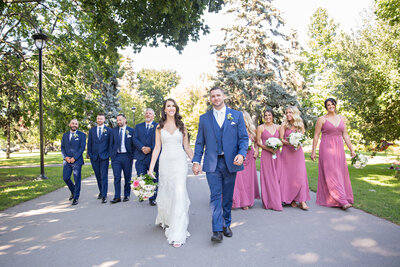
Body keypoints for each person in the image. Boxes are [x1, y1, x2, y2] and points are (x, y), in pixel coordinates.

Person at [192, 87, 248, 243]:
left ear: (224, 96)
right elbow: (199, 142)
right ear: (210, 99)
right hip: (212, 164)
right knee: (215, 196)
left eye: (218, 95)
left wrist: (241, 154)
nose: (216, 98)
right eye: (213, 96)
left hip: (230, 162)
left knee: (227, 197)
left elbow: (243, 138)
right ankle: (216, 230)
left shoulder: (236, 115)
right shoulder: (204, 118)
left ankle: (226, 224)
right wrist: (196, 161)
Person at [148, 98, 193, 248]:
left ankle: (178, 232)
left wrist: (196, 162)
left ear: (176, 108)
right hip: (165, 163)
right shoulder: (159, 127)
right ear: (164, 109)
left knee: (179, 193)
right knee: (167, 192)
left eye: (173, 105)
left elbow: (186, 146)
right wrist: (151, 167)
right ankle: (167, 218)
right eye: (168, 106)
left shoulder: (182, 126)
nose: (171, 108)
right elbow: (156, 148)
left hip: (180, 163)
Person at [311, 98, 355, 210]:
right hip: (327, 148)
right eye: (328, 105)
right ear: (326, 107)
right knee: (331, 174)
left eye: (332, 104)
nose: (331, 106)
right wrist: (313, 151)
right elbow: (316, 136)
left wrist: (351, 149)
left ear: (335, 105)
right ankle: (342, 201)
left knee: (340, 173)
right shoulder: (322, 119)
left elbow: (345, 135)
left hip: (339, 149)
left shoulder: (342, 118)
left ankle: (338, 198)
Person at [279, 106, 310, 211]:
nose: (288, 114)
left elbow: (302, 139)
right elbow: (281, 139)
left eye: (290, 112)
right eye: (287, 113)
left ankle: (302, 201)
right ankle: (291, 199)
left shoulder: (300, 125)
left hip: (297, 153)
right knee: (288, 176)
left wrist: (297, 143)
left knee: (300, 175)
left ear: (295, 113)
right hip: (287, 153)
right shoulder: (284, 125)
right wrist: (290, 142)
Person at [232, 111, 260, 210]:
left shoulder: (252, 130)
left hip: (250, 156)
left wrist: (256, 150)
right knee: (238, 179)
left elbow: (256, 142)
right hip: (239, 156)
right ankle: (236, 201)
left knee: (248, 180)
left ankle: (246, 202)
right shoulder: (234, 128)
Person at [256, 108, 282, 211]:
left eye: (269, 115)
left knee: (277, 176)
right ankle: (269, 202)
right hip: (266, 155)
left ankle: (278, 199)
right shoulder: (260, 128)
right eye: (266, 115)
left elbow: (281, 140)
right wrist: (269, 149)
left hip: (277, 154)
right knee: (268, 178)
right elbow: (258, 142)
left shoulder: (279, 127)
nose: (267, 117)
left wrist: (276, 148)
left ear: (273, 116)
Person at [133, 108, 159, 206]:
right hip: (141, 156)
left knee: (153, 178)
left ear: (153, 116)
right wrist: (142, 147)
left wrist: (150, 148)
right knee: (141, 177)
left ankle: (152, 198)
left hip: (153, 157)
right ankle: (143, 194)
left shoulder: (158, 126)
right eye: (146, 113)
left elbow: (158, 140)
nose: (148, 115)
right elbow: (135, 139)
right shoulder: (138, 127)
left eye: (150, 113)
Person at [109, 114, 135, 204]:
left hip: (127, 157)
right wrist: (112, 155)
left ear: (125, 120)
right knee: (117, 177)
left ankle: (126, 195)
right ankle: (117, 196)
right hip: (116, 157)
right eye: (117, 120)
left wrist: (132, 156)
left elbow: (133, 144)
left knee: (127, 177)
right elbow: (111, 144)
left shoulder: (131, 131)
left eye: (120, 120)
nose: (119, 122)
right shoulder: (113, 131)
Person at [61, 119, 86, 206]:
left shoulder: (82, 135)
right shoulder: (65, 135)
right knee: (66, 178)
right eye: (73, 123)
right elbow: (62, 148)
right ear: (69, 124)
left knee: (77, 179)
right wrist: (65, 157)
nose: (74, 125)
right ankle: (73, 191)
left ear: (78, 126)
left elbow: (82, 148)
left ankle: (76, 197)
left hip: (77, 161)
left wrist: (74, 158)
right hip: (67, 161)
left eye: (76, 124)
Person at [87, 113, 111, 203]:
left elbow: (110, 144)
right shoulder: (92, 130)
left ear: (104, 120)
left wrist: (108, 154)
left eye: (101, 119)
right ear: (96, 120)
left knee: (104, 176)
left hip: (104, 157)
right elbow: (89, 143)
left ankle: (104, 195)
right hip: (94, 157)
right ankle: (101, 191)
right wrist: (90, 154)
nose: (99, 120)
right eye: (98, 119)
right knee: (98, 175)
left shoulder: (108, 130)